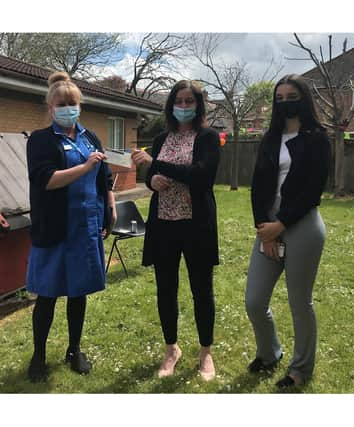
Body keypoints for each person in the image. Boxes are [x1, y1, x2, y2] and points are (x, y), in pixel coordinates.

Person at [25, 71, 116, 382]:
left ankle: (74, 349)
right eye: (61, 104)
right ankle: (39, 354)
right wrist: (85, 166)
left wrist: (111, 208)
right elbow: (45, 180)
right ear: (51, 108)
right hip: (55, 228)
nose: (68, 108)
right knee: (48, 295)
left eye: (72, 103)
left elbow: (105, 179)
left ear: (80, 105)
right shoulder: (41, 140)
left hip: (86, 227)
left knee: (79, 293)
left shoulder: (91, 138)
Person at [245, 74, 330, 391]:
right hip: (267, 226)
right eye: (278, 97)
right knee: (254, 301)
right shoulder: (270, 137)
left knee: (299, 302)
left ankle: (300, 368)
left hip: (303, 225)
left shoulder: (317, 138)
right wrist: (264, 229)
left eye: (290, 96)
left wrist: (281, 225)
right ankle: (269, 353)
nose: (284, 102)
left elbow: (313, 190)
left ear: (303, 98)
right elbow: (258, 186)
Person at [131, 80, 220, 381]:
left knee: (201, 291)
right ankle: (172, 350)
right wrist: (150, 180)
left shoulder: (208, 138)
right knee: (165, 290)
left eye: (188, 101)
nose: (183, 107)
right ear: (170, 106)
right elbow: (153, 178)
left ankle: (205, 353)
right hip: (164, 225)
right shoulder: (160, 139)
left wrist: (156, 165)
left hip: (197, 225)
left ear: (198, 105)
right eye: (178, 102)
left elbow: (201, 176)